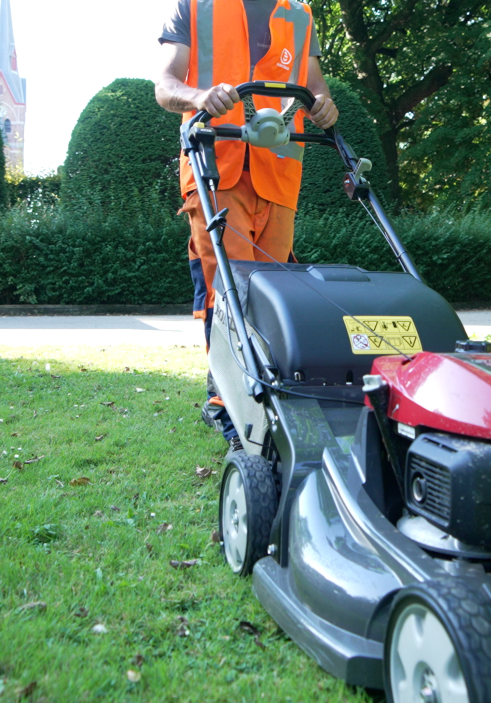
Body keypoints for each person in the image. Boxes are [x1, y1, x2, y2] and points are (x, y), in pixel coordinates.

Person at [156, 0, 338, 453]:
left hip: (278, 172)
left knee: (274, 292)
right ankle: (227, 399)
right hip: (216, 163)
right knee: (228, 287)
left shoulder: (300, 16)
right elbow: (165, 85)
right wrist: (198, 97)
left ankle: (272, 390)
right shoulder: (194, 7)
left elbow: (315, 90)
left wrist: (325, 107)